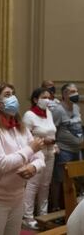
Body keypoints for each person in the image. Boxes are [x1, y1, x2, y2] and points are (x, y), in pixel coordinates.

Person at [0, 81, 45, 235]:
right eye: (7, 95)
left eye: (13, 94)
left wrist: (34, 167)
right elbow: (1, 164)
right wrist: (30, 149)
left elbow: (39, 156)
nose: (13, 98)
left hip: (16, 195)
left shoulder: (19, 126)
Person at [22, 87, 57, 229]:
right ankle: (27, 217)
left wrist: (55, 144)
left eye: (49, 97)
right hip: (36, 154)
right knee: (32, 185)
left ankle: (43, 215)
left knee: (45, 185)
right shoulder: (29, 115)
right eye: (44, 97)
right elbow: (25, 138)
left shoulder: (48, 113)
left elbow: (52, 131)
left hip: (50, 153)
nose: (47, 100)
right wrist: (43, 141)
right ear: (36, 99)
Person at [50, 83, 83, 211]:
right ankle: (55, 207)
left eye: (76, 91)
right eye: (71, 91)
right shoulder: (58, 110)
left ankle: (70, 206)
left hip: (76, 149)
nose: (75, 94)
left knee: (75, 178)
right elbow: (53, 129)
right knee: (59, 180)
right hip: (64, 150)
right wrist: (55, 144)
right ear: (64, 94)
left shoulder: (76, 107)